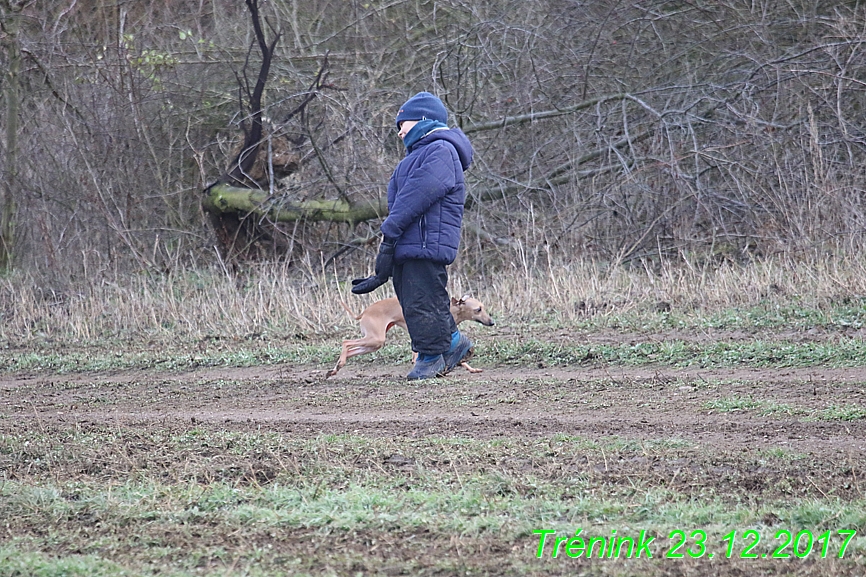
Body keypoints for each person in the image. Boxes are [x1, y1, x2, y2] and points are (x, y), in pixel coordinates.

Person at [352, 91, 474, 380]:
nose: (399, 132)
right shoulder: (424, 152)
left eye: (402, 124)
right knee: (416, 299)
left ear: (421, 120)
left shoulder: (440, 150)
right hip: (413, 241)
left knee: (422, 302)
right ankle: (453, 345)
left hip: (425, 242)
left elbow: (417, 195)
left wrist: (390, 230)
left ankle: (431, 357)